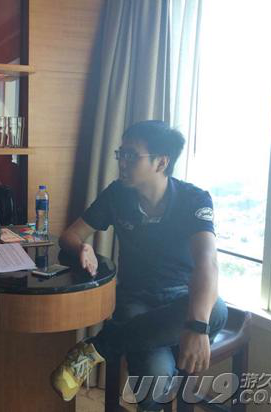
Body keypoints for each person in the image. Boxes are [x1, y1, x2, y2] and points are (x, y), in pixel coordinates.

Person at [50, 120, 228, 411]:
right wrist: (82, 246)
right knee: (155, 380)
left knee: (216, 309)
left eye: (131, 155)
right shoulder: (117, 195)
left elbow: (207, 261)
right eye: (121, 154)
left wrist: (197, 327)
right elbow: (69, 236)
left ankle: (97, 347)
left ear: (161, 162)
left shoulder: (194, 199)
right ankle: (128, 349)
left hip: (182, 299)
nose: (122, 162)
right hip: (136, 299)